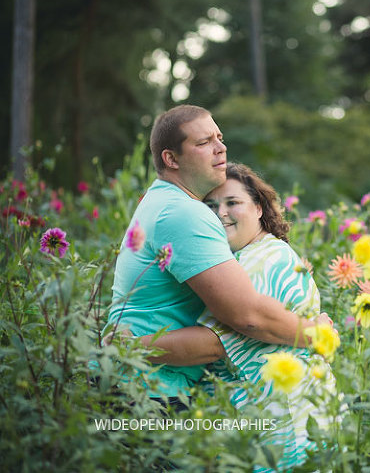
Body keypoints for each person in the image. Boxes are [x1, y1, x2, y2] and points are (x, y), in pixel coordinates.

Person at [103, 105, 329, 406]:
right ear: (171, 159)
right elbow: (247, 318)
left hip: (140, 381)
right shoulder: (183, 212)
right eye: (203, 142)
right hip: (147, 390)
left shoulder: (163, 201)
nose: (220, 148)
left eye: (219, 138)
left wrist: (130, 347)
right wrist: (316, 333)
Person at [139, 163, 337, 472]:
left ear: (258, 207)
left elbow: (213, 343)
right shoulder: (251, 257)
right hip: (279, 418)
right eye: (210, 206)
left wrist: (131, 346)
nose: (220, 213)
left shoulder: (263, 258)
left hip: (284, 425)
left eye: (233, 202)